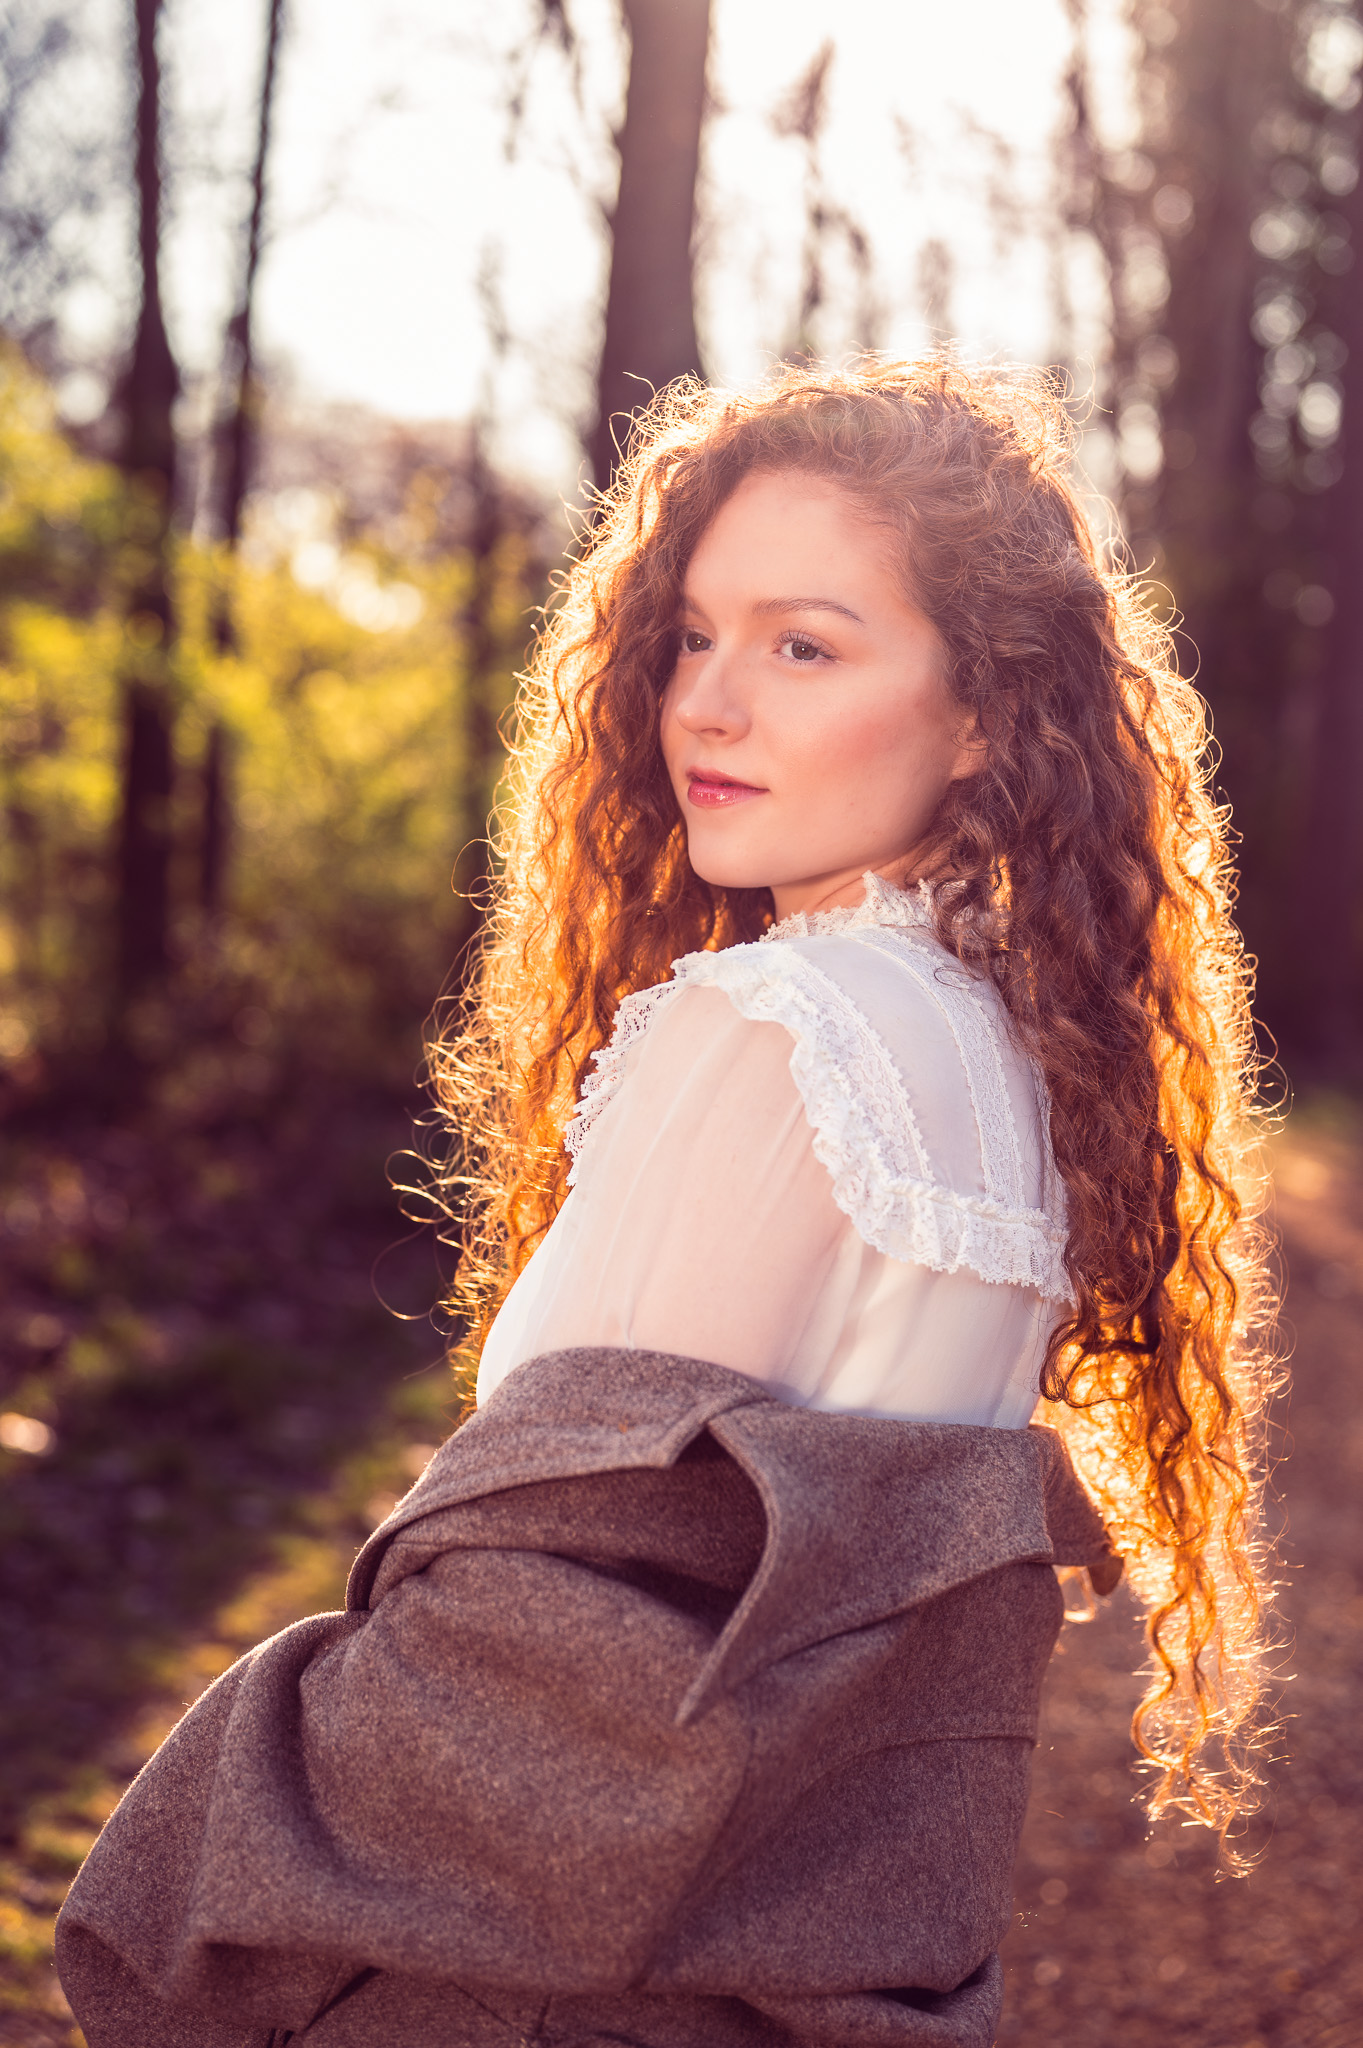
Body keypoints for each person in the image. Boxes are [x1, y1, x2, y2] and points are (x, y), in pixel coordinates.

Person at [57, 359, 1275, 2048]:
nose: (705, 703)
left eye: (804, 644)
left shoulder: (783, 1028)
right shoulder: (1004, 1054)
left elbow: (545, 1662)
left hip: (543, 1988)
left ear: (988, 709)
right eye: (695, 635)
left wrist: (218, 1811)